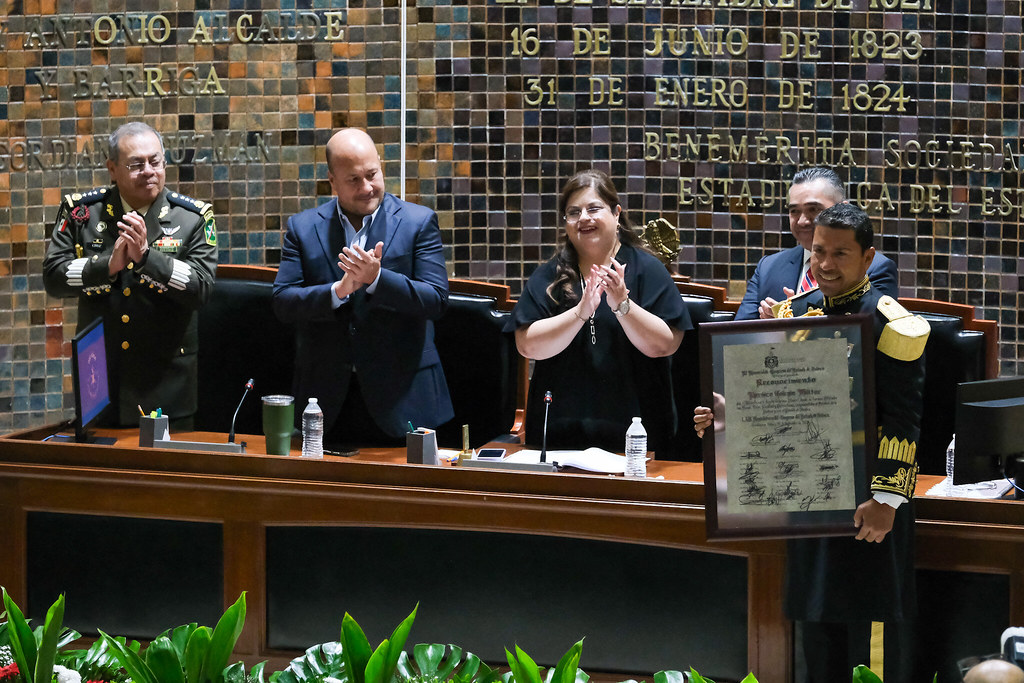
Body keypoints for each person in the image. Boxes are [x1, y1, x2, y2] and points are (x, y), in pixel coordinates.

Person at [695, 203, 928, 683]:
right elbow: (777, 408)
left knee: (871, 642)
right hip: (810, 499)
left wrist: (886, 500)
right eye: (818, 250)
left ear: (868, 259)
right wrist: (726, 420)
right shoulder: (792, 315)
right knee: (817, 635)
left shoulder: (893, 324)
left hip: (871, 507)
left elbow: (905, 420)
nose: (825, 263)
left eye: (840, 253)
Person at [272, 128, 453, 446]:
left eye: (372, 174)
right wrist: (337, 292)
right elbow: (283, 302)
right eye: (353, 180)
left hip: (403, 400)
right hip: (325, 403)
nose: (367, 187)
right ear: (332, 181)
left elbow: (436, 300)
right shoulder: (302, 228)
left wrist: (377, 280)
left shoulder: (418, 222)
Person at [42, 122, 218, 428]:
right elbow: (53, 277)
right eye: (136, 164)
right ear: (112, 169)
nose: (148, 171)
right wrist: (106, 265)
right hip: (97, 377)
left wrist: (149, 259)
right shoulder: (82, 213)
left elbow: (201, 288)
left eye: (155, 161)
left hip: (166, 384)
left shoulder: (192, 218)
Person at [506, 169, 691, 456]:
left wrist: (622, 306)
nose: (584, 218)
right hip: (561, 436)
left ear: (617, 214)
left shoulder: (647, 269)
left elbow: (665, 344)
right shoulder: (551, 275)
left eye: (594, 208)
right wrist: (580, 312)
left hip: (637, 438)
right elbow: (527, 344)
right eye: (573, 212)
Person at [734, 166, 898, 320]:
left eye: (813, 209)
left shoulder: (876, 267)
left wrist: (796, 317)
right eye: (794, 211)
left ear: (842, 210)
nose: (802, 221)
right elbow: (737, 337)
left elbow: (863, 335)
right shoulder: (768, 267)